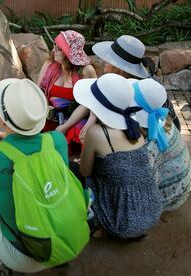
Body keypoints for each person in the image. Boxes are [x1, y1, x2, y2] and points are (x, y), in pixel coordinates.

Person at [0, 78, 90, 273]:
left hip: (26, 256)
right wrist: (9, 136)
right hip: (73, 239)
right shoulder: (57, 140)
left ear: (2, 120)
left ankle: (6, 258)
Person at [74, 73, 162, 239]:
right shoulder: (136, 127)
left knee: (74, 170)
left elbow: (85, 171)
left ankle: (96, 223)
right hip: (150, 210)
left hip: (120, 222)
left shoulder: (96, 132)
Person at [81, 34, 180, 139]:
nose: (104, 60)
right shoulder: (134, 83)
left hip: (155, 139)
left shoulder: (132, 92)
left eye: (109, 58)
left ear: (120, 68)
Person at [129, 78, 191, 211]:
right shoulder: (163, 121)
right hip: (182, 187)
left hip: (168, 198)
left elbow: (147, 179)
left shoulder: (149, 145)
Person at [37, 30, 96, 154]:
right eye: (54, 45)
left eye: (58, 48)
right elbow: (39, 92)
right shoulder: (49, 64)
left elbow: (91, 102)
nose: (53, 51)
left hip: (75, 118)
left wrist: (65, 126)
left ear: (69, 52)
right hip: (50, 117)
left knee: (81, 132)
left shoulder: (86, 71)